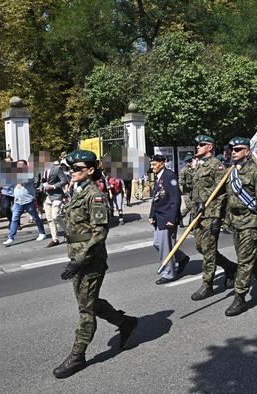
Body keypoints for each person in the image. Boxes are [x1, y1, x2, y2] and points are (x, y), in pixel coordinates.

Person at [53, 150, 138, 379]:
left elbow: (99, 234)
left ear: (90, 171)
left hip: (90, 261)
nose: (72, 173)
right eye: (70, 169)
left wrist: (79, 261)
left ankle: (78, 355)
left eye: (77, 169)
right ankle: (125, 322)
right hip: (78, 258)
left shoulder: (95, 195)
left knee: (86, 308)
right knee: (87, 301)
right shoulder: (76, 190)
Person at [223, 137, 257, 316]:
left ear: (247, 152)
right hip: (237, 223)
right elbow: (229, 199)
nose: (234, 152)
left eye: (238, 149)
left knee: (244, 262)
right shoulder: (232, 172)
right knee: (249, 261)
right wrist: (226, 221)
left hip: (251, 223)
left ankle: (240, 298)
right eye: (232, 149)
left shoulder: (256, 172)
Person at [189, 134, 238, 301]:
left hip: (210, 214)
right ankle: (230, 267)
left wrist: (217, 216)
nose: (198, 147)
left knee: (209, 250)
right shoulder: (200, 165)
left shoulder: (216, 166)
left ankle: (207, 285)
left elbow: (221, 193)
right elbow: (194, 190)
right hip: (198, 214)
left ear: (210, 147)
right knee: (200, 247)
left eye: (201, 144)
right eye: (197, 145)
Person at [149, 154, 190, 284]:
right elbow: (156, 198)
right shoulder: (159, 176)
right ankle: (181, 258)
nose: (152, 167)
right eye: (151, 164)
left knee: (165, 246)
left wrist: (172, 218)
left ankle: (169, 273)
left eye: (154, 164)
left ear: (162, 163)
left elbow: (175, 198)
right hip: (159, 216)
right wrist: (152, 215)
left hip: (167, 217)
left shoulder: (169, 176)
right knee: (157, 243)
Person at [3, 159, 46, 245]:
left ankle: (42, 233)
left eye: (21, 165)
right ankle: (11, 237)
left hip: (28, 201)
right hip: (18, 201)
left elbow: (23, 180)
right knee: (14, 219)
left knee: (36, 217)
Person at [42, 160, 69, 248]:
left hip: (57, 195)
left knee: (55, 216)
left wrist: (53, 186)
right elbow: (41, 182)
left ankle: (68, 232)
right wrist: (40, 187)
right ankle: (55, 239)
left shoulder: (57, 169)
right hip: (47, 197)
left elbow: (65, 181)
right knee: (50, 219)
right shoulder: (41, 171)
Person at [178, 153, 196, 228]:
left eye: (191, 161)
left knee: (194, 207)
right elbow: (181, 182)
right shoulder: (183, 171)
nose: (190, 163)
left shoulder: (194, 170)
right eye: (189, 161)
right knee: (189, 207)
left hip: (194, 192)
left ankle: (191, 224)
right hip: (187, 192)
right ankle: (180, 217)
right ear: (187, 162)